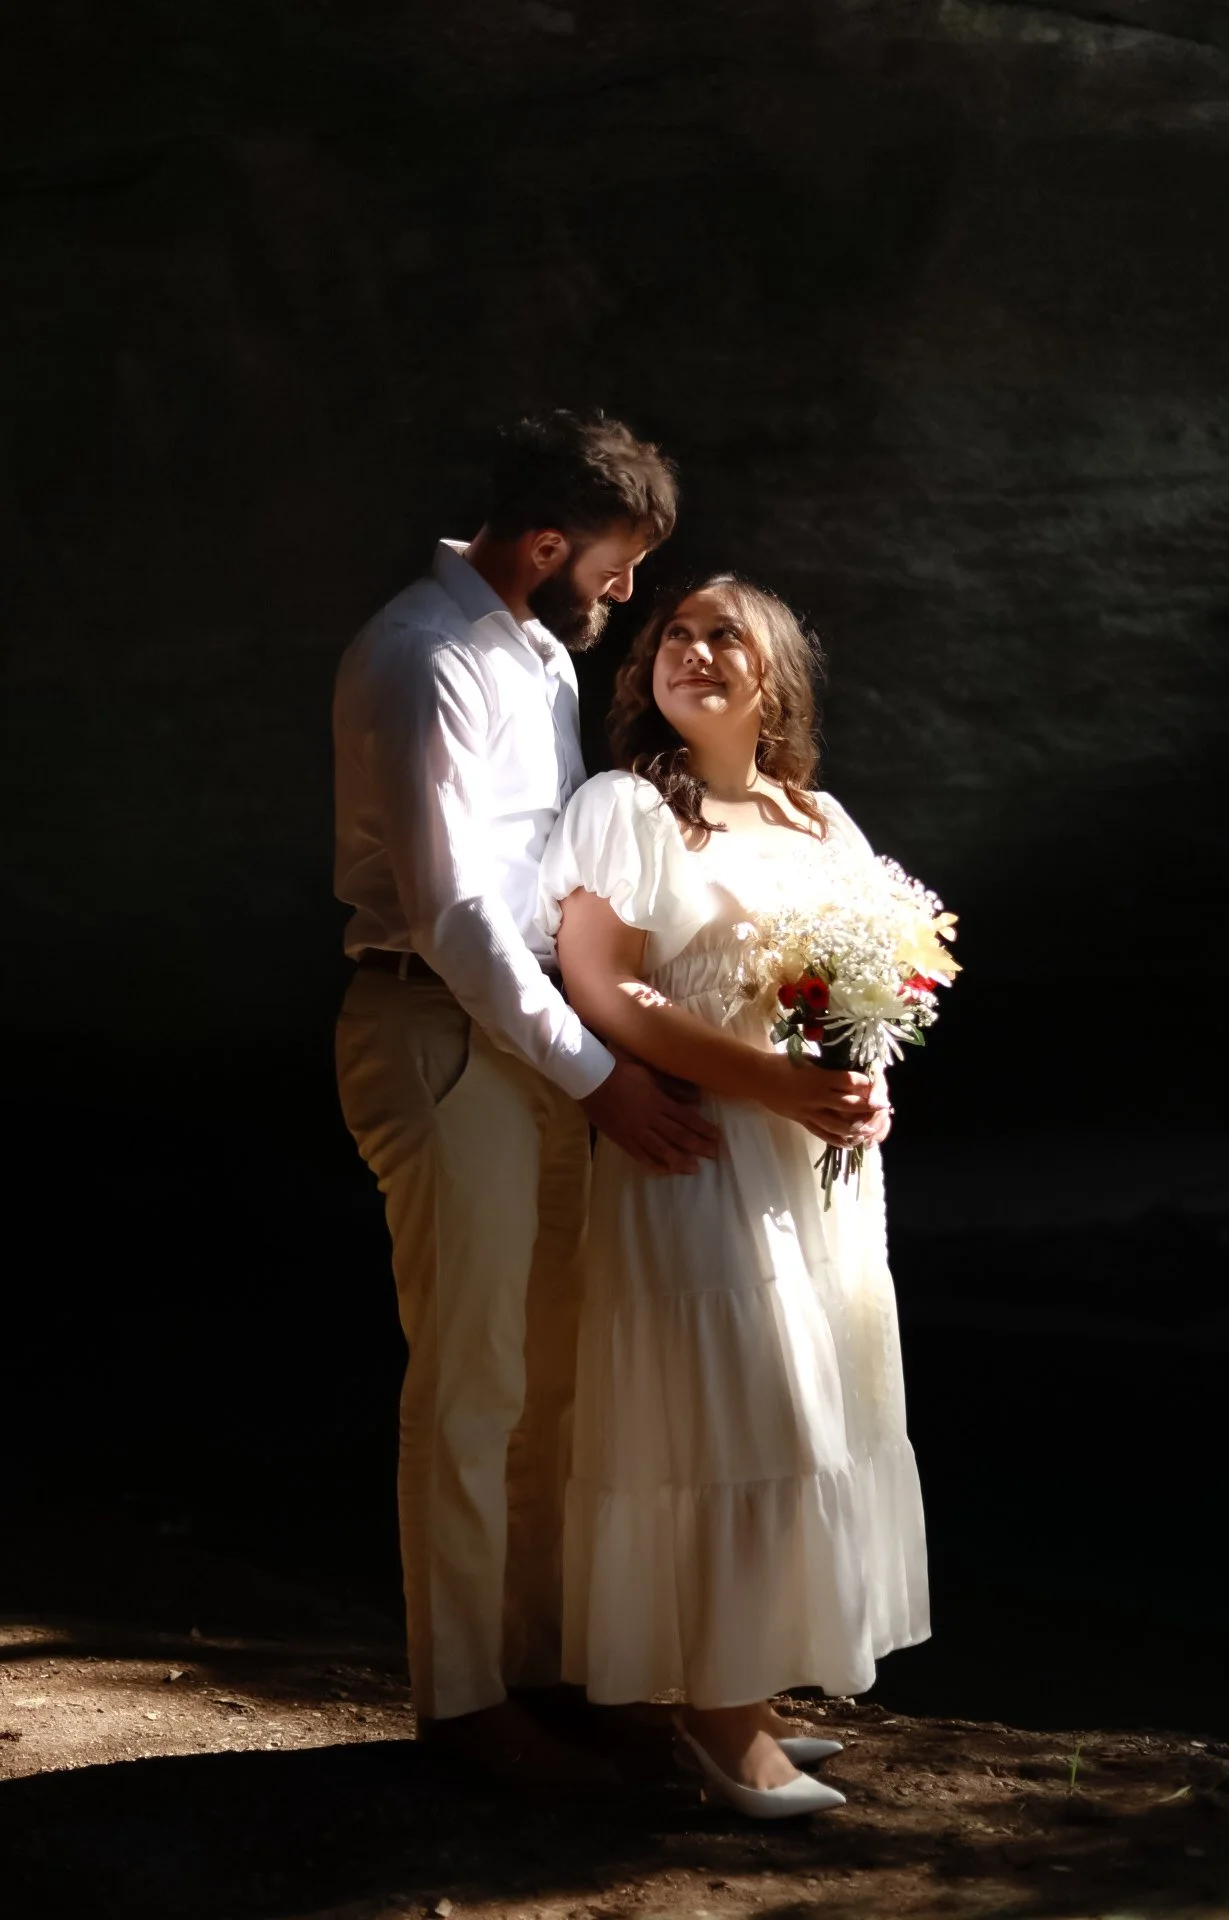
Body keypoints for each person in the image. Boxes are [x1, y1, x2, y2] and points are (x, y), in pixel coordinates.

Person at [332, 411, 723, 1781]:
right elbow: (456, 918)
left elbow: (547, 884)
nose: (627, 590)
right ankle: (461, 1704)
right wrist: (601, 1074)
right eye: (619, 564)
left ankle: (552, 1671)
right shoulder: (420, 659)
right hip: (439, 1032)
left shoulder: (539, 653)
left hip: (534, 1039)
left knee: (557, 1375)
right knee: (474, 1375)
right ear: (549, 545)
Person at [538, 573, 930, 1818]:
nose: (694, 651)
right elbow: (602, 986)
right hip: (701, 1152)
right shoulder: (625, 808)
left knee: (810, 1412)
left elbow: (875, 983)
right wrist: (770, 1082)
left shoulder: (818, 819)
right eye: (674, 634)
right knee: (730, 1417)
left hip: (812, 1171)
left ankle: (749, 1695)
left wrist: (862, 1087)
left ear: (776, 676)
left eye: (725, 636)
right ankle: (716, 1719)